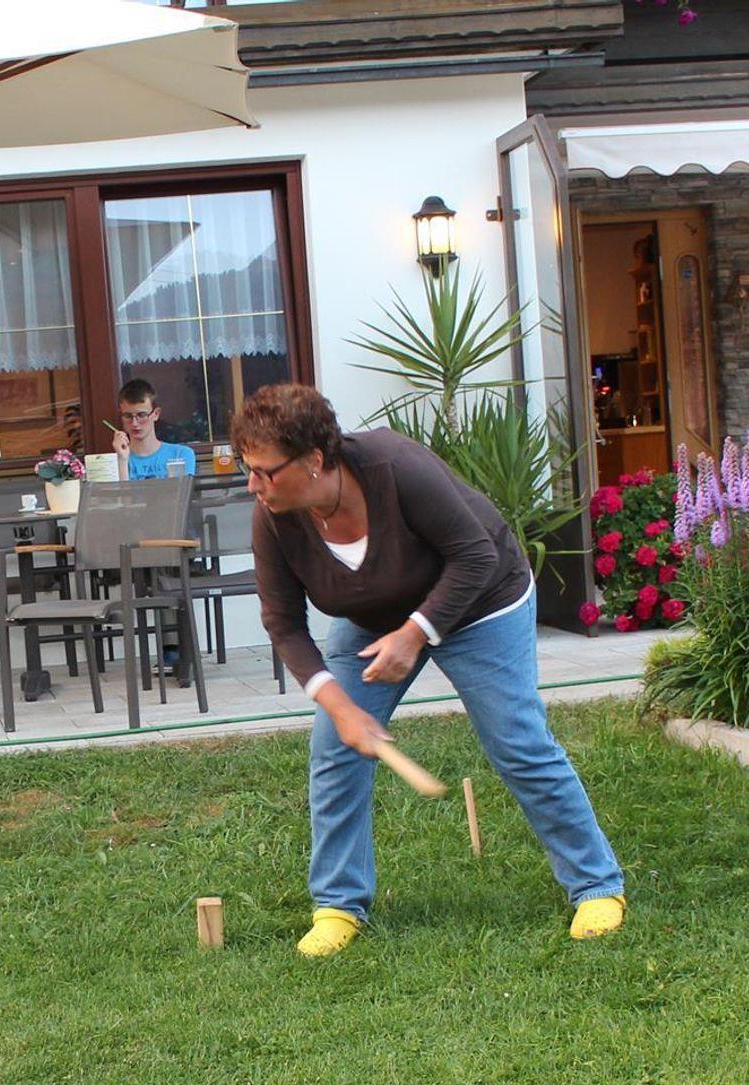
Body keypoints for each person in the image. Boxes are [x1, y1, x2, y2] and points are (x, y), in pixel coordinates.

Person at [242, 383, 626, 957]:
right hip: (374, 616)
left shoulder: (395, 468)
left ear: (314, 460)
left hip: (480, 601)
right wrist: (341, 708)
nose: (253, 485)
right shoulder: (275, 518)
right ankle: (338, 905)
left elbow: (476, 555)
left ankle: (596, 885)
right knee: (335, 749)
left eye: (264, 472)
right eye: (248, 469)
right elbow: (283, 623)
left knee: (517, 742)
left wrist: (416, 633)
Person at [110, 378, 198, 481]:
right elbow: (121, 492)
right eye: (127, 416)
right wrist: (122, 460)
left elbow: (182, 490)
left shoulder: (180, 455)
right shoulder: (113, 462)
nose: (134, 423)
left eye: (142, 415)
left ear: (156, 414)